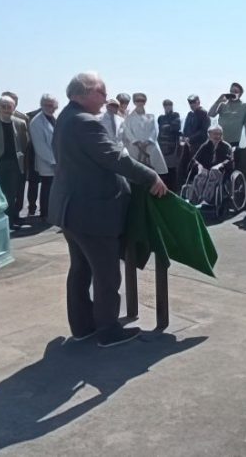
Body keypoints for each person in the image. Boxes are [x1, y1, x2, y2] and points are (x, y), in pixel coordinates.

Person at [48, 71, 168, 348]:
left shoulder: (66, 118)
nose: (105, 97)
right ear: (85, 93)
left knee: (80, 269)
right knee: (106, 273)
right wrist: (151, 177)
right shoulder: (84, 122)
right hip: (90, 213)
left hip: (70, 210)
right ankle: (108, 330)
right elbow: (113, 157)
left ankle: (82, 326)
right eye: (101, 92)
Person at [0, 96, 30, 231]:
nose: (7, 110)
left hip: (14, 163)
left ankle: (10, 222)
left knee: (13, 194)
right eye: (4, 106)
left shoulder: (20, 123)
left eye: (10, 107)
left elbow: (24, 143)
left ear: (14, 108)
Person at [28, 94, 59, 219]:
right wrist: (53, 161)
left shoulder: (52, 118)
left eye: (52, 105)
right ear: (41, 105)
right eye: (47, 105)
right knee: (47, 188)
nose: (50, 107)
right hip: (48, 162)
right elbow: (40, 146)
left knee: (53, 189)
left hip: (57, 161)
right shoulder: (36, 122)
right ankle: (45, 214)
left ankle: (51, 211)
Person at [121, 93, 168, 175]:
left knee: (155, 172)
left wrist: (148, 142)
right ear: (134, 102)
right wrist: (136, 142)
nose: (140, 103)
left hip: (150, 146)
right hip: (135, 147)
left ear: (145, 102)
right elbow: (127, 131)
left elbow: (155, 130)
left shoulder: (151, 116)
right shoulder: (129, 118)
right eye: (137, 100)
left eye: (142, 100)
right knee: (135, 172)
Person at [188, 126, 235, 205]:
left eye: (220, 134)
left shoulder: (226, 146)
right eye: (215, 134)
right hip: (206, 170)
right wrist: (200, 167)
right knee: (201, 175)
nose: (218, 136)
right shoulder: (205, 146)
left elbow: (229, 160)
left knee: (213, 172)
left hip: (221, 171)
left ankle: (206, 200)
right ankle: (195, 199)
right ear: (209, 135)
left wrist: (219, 165)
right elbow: (196, 159)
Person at [180, 94, 211, 188]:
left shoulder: (203, 113)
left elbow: (204, 130)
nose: (192, 104)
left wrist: (191, 138)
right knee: (187, 166)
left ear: (198, 102)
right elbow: (185, 129)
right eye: (190, 102)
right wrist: (184, 137)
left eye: (194, 102)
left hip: (200, 145)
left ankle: (200, 188)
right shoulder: (190, 114)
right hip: (189, 145)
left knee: (199, 167)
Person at [208, 82, 246, 149]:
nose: (232, 93)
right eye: (231, 91)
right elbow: (211, 114)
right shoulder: (222, 104)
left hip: (234, 141)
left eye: (235, 92)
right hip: (219, 140)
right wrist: (219, 100)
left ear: (240, 94)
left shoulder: (244, 106)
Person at [157, 99, 182, 191]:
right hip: (162, 147)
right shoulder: (160, 118)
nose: (167, 106)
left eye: (169, 105)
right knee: (162, 169)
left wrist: (167, 127)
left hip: (172, 148)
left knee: (172, 170)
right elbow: (160, 131)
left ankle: (174, 190)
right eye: (166, 105)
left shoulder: (175, 115)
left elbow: (176, 127)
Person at [24, 99, 43, 217]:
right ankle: (32, 208)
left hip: (39, 157)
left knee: (36, 184)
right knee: (33, 184)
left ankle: (34, 208)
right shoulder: (32, 123)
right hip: (33, 156)